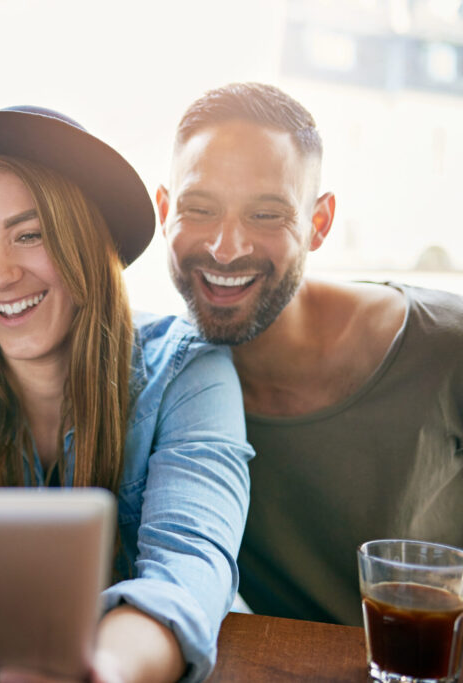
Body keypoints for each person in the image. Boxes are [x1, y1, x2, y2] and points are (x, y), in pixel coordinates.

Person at [0, 106, 253, 682]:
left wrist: (99, 670)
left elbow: (188, 569)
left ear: (86, 239)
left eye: (29, 235)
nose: (0, 276)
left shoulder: (187, 370)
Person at [156, 82, 463, 626]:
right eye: (200, 209)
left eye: (266, 215)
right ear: (164, 212)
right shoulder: (166, 392)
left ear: (318, 223)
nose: (226, 247)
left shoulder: (445, 346)